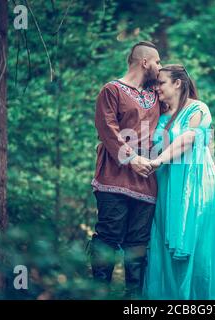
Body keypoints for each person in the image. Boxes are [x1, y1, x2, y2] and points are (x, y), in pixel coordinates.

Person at [143, 64, 215, 299]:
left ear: (177, 83)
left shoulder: (197, 109)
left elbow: (187, 140)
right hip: (167, 189)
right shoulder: (159, 115)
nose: (156, 87)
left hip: (199, 186)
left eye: (160, 82)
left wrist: (157, 160)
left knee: (199, 253)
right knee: (164, 250)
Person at [88, 41, 162, 299]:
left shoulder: (156, 95)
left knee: (138, 247)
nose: (160, 67)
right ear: (145, 62)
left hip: (147, 183)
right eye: (158, 62)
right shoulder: (112, 90)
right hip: (114, 179)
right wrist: (131, 158)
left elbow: (180, 103)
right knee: (108, 238)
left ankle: (135, 302)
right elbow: (107, 129)